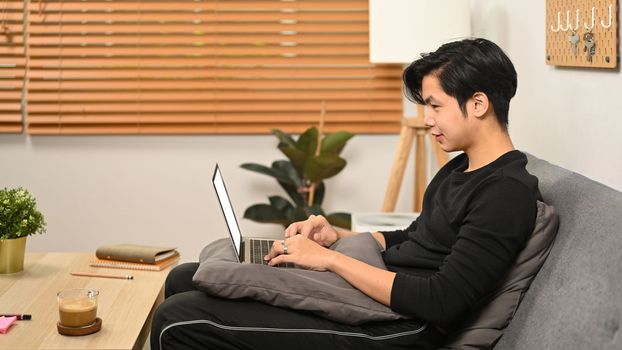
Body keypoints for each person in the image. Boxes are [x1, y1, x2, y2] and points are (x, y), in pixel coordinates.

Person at [150, 38, 541, 350]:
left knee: (179, 318)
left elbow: (442, 301)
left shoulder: (505, 193)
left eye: (435, 106)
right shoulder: (461, 168)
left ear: (478, 104)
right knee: (186, 277)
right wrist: (338, 239)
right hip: (376, 295)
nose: (427, 120)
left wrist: (329, 262)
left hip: (400, 327)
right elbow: (415, 238)